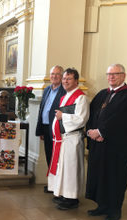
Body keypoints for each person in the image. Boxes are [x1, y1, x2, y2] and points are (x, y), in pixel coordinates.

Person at [86, 64, 127, 220]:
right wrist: (91, 131)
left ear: (123, 76)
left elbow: (124, 119)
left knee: (114, 177)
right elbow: (92, 114)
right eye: (109, 74)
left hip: (116, 146)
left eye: (115, 74)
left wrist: (102, 132)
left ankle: (114, 209)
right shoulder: (102, 94)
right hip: (98, 143)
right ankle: (101, 205)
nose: (111, 77)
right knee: (99, 175)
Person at [47, 68, 89, 210]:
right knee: (63, 168)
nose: (65, 81)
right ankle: (64, 194)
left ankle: (72, 198)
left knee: (71, 169)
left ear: (76, 80)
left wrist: (62, 116)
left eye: (68, 78)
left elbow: (81, 119)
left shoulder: (81, 97)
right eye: (64, 78)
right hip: (62, 139)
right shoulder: (65, 96)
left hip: (72, 140)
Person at [35, 66, 66, 193]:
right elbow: (42, 109)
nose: (54, 76)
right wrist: (40, 130)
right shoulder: (47, 89)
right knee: (49, 155)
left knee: (57, 157)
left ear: (62, 76)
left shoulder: (65, 91)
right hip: (46, 127)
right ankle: (52, 184)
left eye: (57, 74)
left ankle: (59, 185)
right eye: (52, 74)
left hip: (57, 129)